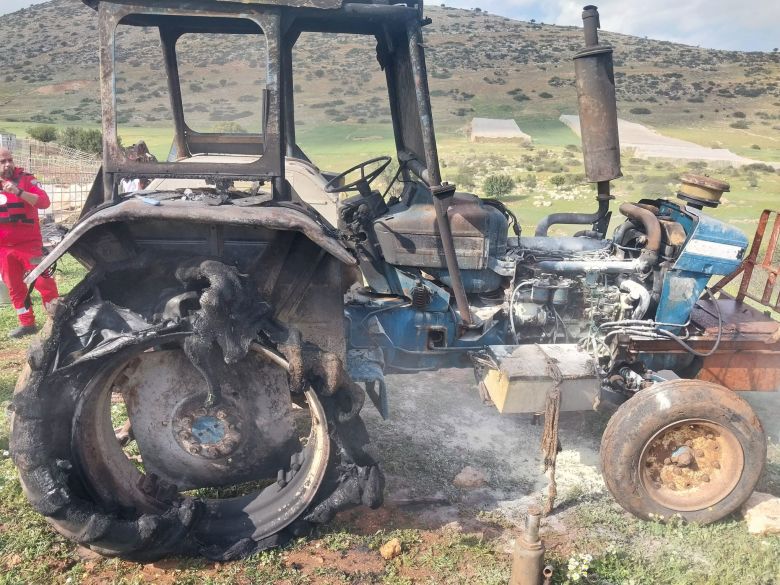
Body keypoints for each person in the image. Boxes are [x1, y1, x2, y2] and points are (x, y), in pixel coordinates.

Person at [0, 147, 59, 338]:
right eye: (2, 162)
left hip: (29, 245)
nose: (7, 164)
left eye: (9, 159)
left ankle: (58, 321)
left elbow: (44, 202)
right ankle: (27, 324)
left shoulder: (26, 179)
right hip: (3, 249)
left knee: (44, 282)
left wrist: (18, 191)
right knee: (14, 287)